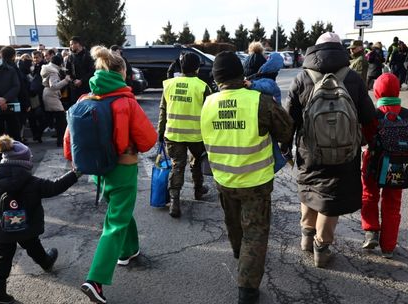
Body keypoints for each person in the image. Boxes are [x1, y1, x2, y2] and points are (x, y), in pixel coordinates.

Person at [63, 46, 157, 304]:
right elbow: (148, 140)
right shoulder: (126, 102)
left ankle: (129, 251)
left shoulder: (84, 99)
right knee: (115, 221)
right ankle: (95, 280)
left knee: (119, 210)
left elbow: (68, 140)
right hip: (123, 168)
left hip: (97, 170)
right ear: (121, 72)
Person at [200, 51, 293, 304]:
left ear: (217, 78)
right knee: (255, 231)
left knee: (233, 222)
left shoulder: (208, 103)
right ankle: (247, 288)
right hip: (255, 181)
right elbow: (286, 129)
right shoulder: (258, 101)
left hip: (224, 179)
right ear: (240, 73)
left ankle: (241, 255)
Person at [283, 32, 376, 268]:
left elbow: (289, 119)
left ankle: (306, 236)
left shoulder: (303, 76)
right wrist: (364, 142)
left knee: (310, 189)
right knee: (331, 198)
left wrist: (285, 148)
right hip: (345, 152)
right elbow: (368, 116)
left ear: (315, 50)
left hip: (310, 150)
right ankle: (321, 248)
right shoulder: (352, 77)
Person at [0, 135, 79, 304]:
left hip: (3, 229)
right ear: (25, 163)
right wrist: (74, 174)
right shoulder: (33, 182)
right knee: (32, 244)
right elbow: (55, 187)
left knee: (2, 257)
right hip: (26, 228)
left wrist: (0, 214)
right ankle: (45, 262)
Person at [361, 73, 408, 259]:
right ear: (397, 90)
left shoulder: (374, 114)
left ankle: (371, 231)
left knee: (369, 196)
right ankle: (388, 246)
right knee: (393, 204)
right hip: (401, 166)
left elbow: (365, 138)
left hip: (374, 164)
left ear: (377, 91)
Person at [158, 53, 211, 218]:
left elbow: (163, 111)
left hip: (173, 134)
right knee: (196, 162)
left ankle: (174, 201)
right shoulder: (202, 87)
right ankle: (198, 190)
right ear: (197, 68)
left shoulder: (169, 84)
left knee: (177, 165)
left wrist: (160, 133)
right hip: (196, 135)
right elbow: (209, 114)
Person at [41, 55, 71, 147]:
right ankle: (60, 140)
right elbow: (54, 86)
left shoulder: (48, 68)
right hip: (52, 95)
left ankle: (37, 134)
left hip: (48, 94)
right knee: (61, 119)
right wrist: (66, 80)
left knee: (49, 117)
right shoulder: (53, 72)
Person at [66, 36, 95, 103]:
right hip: (74, 89)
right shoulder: (70, 57)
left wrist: (81, 80)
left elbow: (92, 71)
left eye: (72, 44)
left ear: (78, 44)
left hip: (86, 88)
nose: (70, 46)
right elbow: (67, 71)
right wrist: (73, 80)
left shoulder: (88, 56)